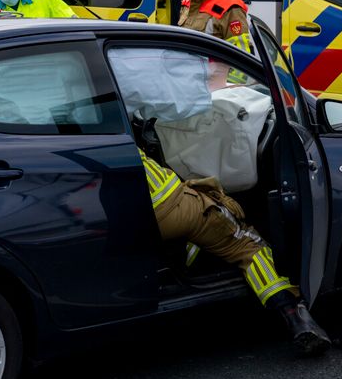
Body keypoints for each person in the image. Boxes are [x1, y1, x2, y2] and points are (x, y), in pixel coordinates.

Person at [139, 147, 330, 355]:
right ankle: (296, 316)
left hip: (139, 220)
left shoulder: (101, 139)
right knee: (245, 242)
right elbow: (179, 112)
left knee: (202, 226)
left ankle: (196, 249)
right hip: (171, 202)